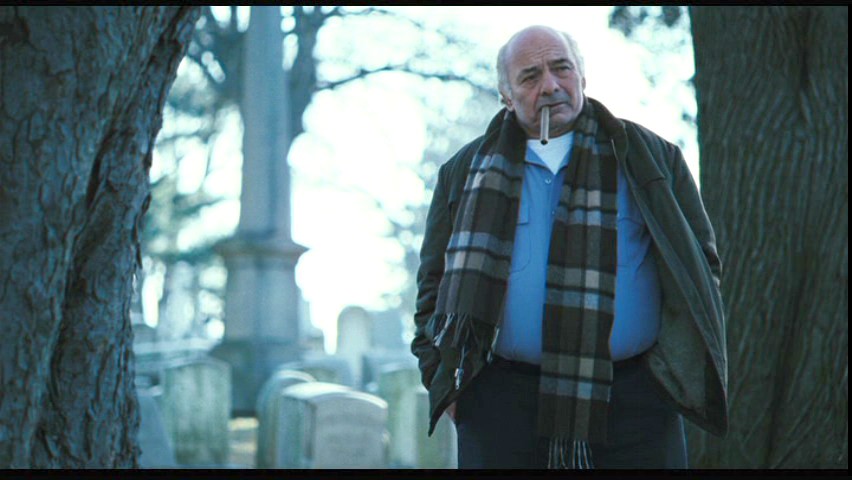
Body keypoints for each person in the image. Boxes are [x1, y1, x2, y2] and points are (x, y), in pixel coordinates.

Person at [410, 25, 727, 469]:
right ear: (506, 96)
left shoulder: (649, 157)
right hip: (500, 405)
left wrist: (669, 373)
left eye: (562, 68)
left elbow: (699, 266)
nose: (550, 85)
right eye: (530, 76)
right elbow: (432, 285)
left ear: (582, 76)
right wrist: (445, 384)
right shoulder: (464, 171)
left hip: (636, 400)